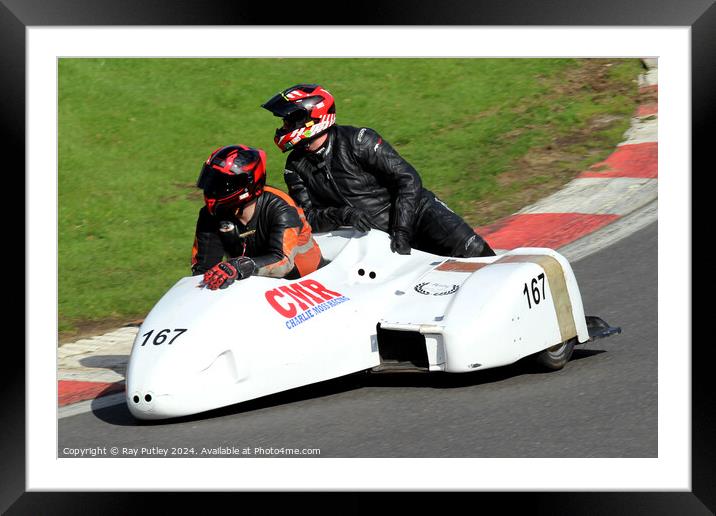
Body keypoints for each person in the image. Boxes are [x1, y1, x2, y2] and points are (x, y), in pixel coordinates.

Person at [261, 83, 495, 258]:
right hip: (375, 240)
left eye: (289, 122)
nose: (283, 128)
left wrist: (402, 229)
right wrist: (343, 215)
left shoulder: (360, 140)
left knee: (478, 255)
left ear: (313, 118)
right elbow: (308, 218)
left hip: (419, 215)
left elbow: (408, 179)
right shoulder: (294, 167)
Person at [192, 144, 327, 290]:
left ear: (247, 185)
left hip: (306, 283)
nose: (212, 190)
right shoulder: (210, 214)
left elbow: (283, 263)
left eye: (222, 184)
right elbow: (202, 270)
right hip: (253, 283)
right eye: (211, 181)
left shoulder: (282, 207)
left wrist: (240, 266)